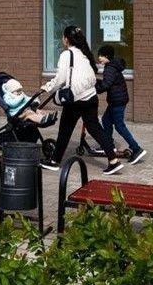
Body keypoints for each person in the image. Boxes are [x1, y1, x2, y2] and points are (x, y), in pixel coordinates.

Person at [40, 26, 123, 175]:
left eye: (63, 37)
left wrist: (48, 87)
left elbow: (60, 78)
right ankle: (113, 160)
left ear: (66, 39)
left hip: (76, 99)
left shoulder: (67, 54)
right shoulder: (85, 54)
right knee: (96, 129)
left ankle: (54, 161)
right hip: (91, 97)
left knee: (65, 131)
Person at [96, 45, 146, 165]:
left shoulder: (110, 69)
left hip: (117, 101)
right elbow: (108, 82)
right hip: (116, 100)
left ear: (107, 56)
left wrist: (94, 88)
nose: (99, 58)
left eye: (101, 56)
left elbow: (106, 85)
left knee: (119, 126)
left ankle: (136, 149)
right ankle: (109, 145)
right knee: (106, 120)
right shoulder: (112, 66)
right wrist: (97, 82)